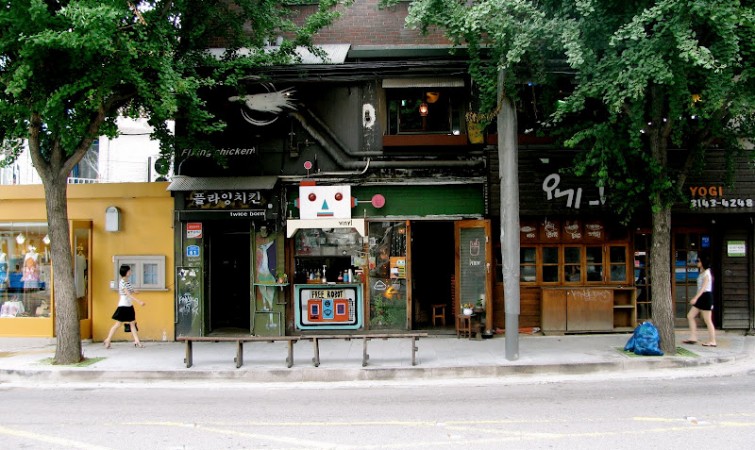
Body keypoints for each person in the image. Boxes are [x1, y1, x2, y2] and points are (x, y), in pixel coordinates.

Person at [104, 265, 146, 348]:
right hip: (123, 306)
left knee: (132, 323)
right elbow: (128, 294)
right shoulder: (122, 282)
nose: (130, 272)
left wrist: (135, 291)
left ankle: (137, 341)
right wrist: (139, 301)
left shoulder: (127, 281)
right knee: (118, 324)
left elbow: (130, 291)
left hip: (129, 305)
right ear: (126, 272)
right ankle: (108, 340)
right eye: (129, 271)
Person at [684, 254, 716, 347]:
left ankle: (713, 341)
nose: (696, 262)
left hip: (705, 296)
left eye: (698, 261)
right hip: (701, 296)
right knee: (690, 316)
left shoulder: (707, 273)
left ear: (703, 262)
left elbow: (703, 288)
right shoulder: (702, 272)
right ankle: (693, 337)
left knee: (707, 320)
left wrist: (695, 298)